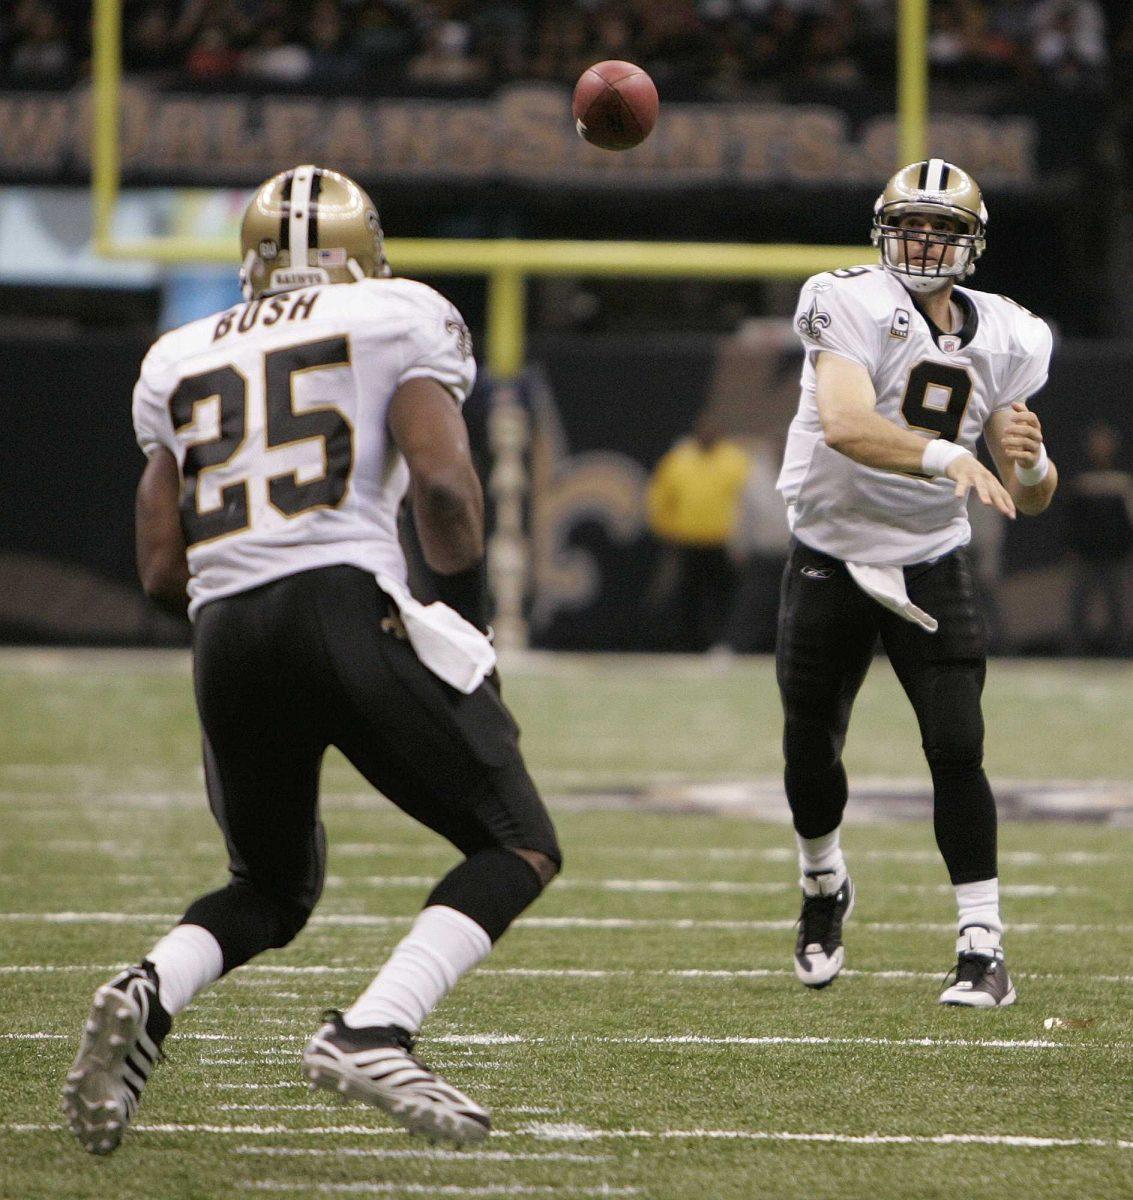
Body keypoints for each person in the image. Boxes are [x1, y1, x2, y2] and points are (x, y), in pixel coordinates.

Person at [62, 165, 561, 1154]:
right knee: (516, 840)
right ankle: (374, 1029)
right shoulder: (395, 313)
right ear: (362, 258)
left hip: (225, 631)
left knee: (271, 885)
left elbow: (162, 566)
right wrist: (456, 615)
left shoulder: (178, 353)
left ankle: (151, 988)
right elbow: (445, 489)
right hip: (340, 602)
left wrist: (244, 630)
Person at [775, 158, 1058, 1007]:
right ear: (882, 226)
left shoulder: (1011, 335)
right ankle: (823, 885)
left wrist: (1031, 461)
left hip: (930, 555)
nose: (924, 240)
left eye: (942, 228)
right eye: (912, 222)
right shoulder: (846, 299)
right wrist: (950, 455)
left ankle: (981, 945)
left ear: (969, 245)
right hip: (829, 550)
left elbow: (1034, 496)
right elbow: (846, 424)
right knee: (810, 747)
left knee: (956, 745)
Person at [646, 413, 749, 651]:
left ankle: (721, 645)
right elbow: (659, 499)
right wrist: (666, 530)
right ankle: (686, 645)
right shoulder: (678, 460)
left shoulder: (735, 460)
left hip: (723, 543)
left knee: (723, 597)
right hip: (687, 542)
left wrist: (743, 538)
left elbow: (747, 501)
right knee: (686, 597)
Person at [1062, 422, 1133, 655]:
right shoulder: (1082, 480)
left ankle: (1119, 654)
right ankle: (1075, 652)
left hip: (1115, 555)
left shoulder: (1121, 480)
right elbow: (1071, 518)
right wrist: (1071, 546)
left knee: (1117, 609)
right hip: (1086, 555)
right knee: (1079, 608)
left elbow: (1127, 519)